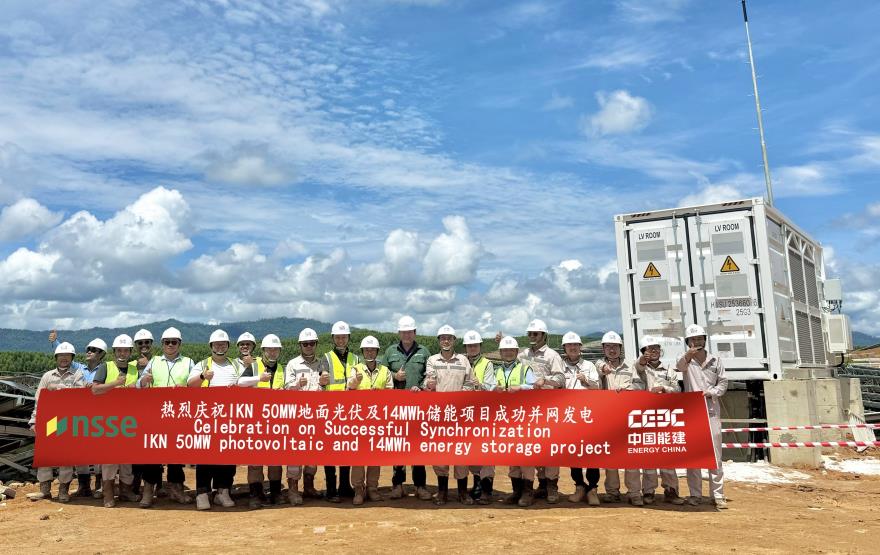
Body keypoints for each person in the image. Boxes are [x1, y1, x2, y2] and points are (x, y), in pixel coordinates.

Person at [187, 329, 245, 510]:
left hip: (231, 419)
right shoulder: (203, 364)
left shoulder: (236, 365)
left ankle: (222, 491)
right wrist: (203, 377)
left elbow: (248, 385)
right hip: (207, 419)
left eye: (223, 344)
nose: (220, 347)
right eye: (217, 344)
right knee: (205, 456)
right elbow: (190, 385)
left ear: (228, 346)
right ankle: (202, 493)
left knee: (228, 456)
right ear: (211, 346)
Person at [136, 326, 193, 508]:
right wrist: (143, 381)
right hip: (156, 414)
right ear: (162, 344)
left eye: (174, 342)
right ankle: (148, 491)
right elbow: (138, 385)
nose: (170, 345)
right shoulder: (153, 362)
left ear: (179, 344)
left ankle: (176, 490)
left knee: (177, 455)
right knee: (153, 454)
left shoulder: (189, 362)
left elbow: (196, 386)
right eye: (167, 342)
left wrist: (186, 389)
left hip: (179, 415)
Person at [423, 325, 478, 506]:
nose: (446, 341)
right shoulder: (432, 360)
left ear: (454, 340)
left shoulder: (463, 360)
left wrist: (461, 397)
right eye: (442, 338)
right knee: (441, 455)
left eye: (449, 338)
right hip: (439, 415)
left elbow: (470, 383)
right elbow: (427, 382)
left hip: (460, 415)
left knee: (461, 454)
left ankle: (462, 492)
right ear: (439, 341)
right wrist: (428, 384)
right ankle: (442, 492)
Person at [677, 324, 728, 510]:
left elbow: (723, 383)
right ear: (688, 342)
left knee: (715, 454)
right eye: (693, 339)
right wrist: (688, 355)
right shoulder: (686, 360)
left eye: (700, 338)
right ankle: (695, 494)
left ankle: (718, 495)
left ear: (705, 340)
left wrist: (711, 392)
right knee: (694, 455)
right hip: (692, 413)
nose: (697, 342)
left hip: (711, 410)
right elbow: (678, 367)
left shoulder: (716, 360)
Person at [49, 331, 105, 499]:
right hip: (80, 417)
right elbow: (65, 356)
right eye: (88, 349)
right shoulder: (79, 368)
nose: (89, 352)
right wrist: (55, 342)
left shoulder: (106, 369)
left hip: (98, 415)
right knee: (81, 451)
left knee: (99, 452)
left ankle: (100, 486)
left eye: (94, 350)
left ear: (101, 354)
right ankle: (84, 486)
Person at [382, 315, 432, 501]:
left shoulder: (424, 351)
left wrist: (422, 385)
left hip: (418, 407)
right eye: (403, 332)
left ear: (415, 332)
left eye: (409, 332)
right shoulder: (390, 351)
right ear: (399, 333)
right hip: (396, 407)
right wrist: (395, 376)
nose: (406, 335)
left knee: (418, 447)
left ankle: (420, 486)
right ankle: (398, 485)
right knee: (398, 447)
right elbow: (382, 373)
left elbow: (429, 375)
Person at [28, 342, 85, 502]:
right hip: (50, 422)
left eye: (67, 356)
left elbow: (80, 397)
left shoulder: (78, 375)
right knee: (45, 455)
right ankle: (44, 490)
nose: (64, 358)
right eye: (61, 355)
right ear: (56, 357)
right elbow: (39, 400)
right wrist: (34, 421)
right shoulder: (47, 376)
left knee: (65, 457)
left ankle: (63, 490)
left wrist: (59, 392)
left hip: (68, 422)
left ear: (72, 358)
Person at [484, 336, 537, 507]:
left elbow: (534, 387)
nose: (508, 353)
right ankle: (517, 491)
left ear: (516, 351)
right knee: (512, 455)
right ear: (500, 353)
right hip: (504, 419)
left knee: (525, 456)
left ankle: (528, 492)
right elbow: (489, 387)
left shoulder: (525, 369)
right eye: (505, 350)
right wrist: (495, 389)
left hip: (523, 418)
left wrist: (521, 387)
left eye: (511, 350)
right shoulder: (496, 370)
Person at [518, 319, 565, 504]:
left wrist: (545, 380)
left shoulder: (552, 355)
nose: (532, 336)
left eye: (535, 333)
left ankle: (551, 486)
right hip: (527, 409)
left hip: (547, 408)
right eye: (529, 333)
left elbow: (561, 379)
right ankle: (529, 488)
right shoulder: (523, 355)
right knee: (529, 449)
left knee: (550, 448)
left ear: (544, 335)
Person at [634, 335, 686, 506]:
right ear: (643, 351)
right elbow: (637, 373)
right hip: (646, 417)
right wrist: (641, 362)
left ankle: (671, 490)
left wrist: (664, 388)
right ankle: (648, 491)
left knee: (667, 456)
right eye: (649, 349)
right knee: (648, 456)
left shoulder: (669, 369)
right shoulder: (639, 368)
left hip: (665, 417)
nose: (654, 351)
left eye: (656, 348)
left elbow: (677, 389)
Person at [91, 334, 141, 507]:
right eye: (119, 350)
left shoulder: (134, 369)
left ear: (130, 352)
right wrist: (115, 383)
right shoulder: (105, 367)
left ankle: (126, 491)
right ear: (114, 352)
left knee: (127, 459)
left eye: (126, 350)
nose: (122, 353)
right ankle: (108, 493)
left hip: (130, 421)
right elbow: (95, 390)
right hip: (109, 421)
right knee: (110, 459)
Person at [597, 330, 645, 505]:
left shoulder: (630, 366)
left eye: (615, 346)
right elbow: (597, 373)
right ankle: (612, 492)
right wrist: (603, 369)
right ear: (603, 349)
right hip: (607, 418)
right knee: (610, 457)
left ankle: (634, 493)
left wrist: (628, 390)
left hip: (628, 418)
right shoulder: (599, 366)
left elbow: (640, 385)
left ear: (620, 348)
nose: (612, 350)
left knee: (631, 456)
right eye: (608, 347)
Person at [238, 333, 286, 508]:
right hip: (256, 422)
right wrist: (259, 378)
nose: (272, 352)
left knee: (275, 461)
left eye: (276, 349)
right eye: (269, 349)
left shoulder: (281, 369)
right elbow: (240, 382)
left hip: (276, 422)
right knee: (255, 462)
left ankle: (275, 493)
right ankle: (255, 495)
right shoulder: (254, 365)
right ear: (263, 350)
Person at [346, 335, 392, 506]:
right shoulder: (355, 369)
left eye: (372, 350)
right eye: (366, 350)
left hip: (378, 420)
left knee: (375, 455)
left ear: (377, 351)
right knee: (358, 456)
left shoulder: (385, 370)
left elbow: (391, 393)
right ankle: (358, 488)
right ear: (363, 351)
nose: (370, 352)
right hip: (359, 420)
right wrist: (356, 381)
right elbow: (349, 388)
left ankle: (372, 488)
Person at [283, 327, 326, 504]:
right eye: (305, 344)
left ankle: (308, 486)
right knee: (295, 453)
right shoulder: (292, 364)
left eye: (311, 343)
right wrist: (297, 384)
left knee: (313, 453)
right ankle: (293, 489)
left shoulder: (322, 364)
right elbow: (286, 388)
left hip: (316, 415)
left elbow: (327, 389)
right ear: (300, 345)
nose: (309, 346)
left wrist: (324, 384)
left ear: (316, 344)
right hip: (297, 415)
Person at [559, 331, 602, 507]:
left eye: (575, 345)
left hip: (587, 415)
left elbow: (598, 387)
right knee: (573, 453)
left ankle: (592, 489)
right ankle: (579, 486)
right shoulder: (560, 366)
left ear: (580, 347)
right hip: (569, 416)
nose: (573, 348)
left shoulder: (589, 366)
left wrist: (586, 380)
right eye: (569, 345)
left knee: (591, 452)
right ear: (564, 348)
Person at [320, 321, 359, 502]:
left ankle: (344, 486)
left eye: (344, 337)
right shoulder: (326, 358)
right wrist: (322, 379)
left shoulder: (355, 359)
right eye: (338, 337)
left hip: (349, 411)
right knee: (329, 451)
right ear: (333, 339)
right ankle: (331, 489)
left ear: (348, 338)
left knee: (346, 449)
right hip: (330, 411)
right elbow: (322, 380)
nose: (341, 340)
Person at [462, 329, 495, 502]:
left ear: (480, 346)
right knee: (472, 451)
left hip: (483, 412)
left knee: (486, 451)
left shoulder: (487, 364)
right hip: (466, 413)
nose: (472, 348)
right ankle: (477, 484)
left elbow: (491, 386)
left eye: (475, 345)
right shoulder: (461, 362)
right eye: (469, 345)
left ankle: (487, 490)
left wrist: (480, 385)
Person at [130, 328, 155, 495]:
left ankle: (156, 485)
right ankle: (135, 484)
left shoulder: (158, 362)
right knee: (137, 451)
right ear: (136, 345)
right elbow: (129, 386)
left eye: (147, 342)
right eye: (140, 343)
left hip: (155, 412)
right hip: (135, 413)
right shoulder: (131, 365)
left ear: (151, 344)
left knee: (155, 451)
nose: (143, 345)